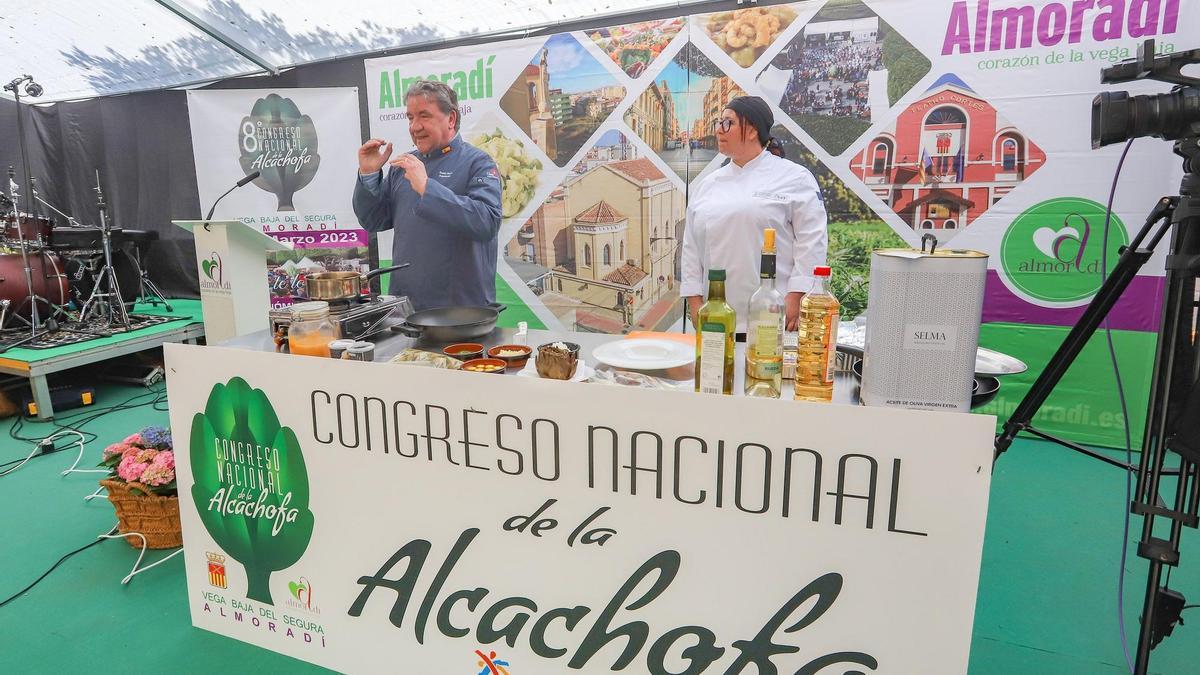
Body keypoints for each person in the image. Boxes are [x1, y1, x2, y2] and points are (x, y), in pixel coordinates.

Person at [680, 95, 827, 335]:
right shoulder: (707, 185)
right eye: (718, 123)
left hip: (772, 319)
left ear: (752, 130)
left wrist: (797, 296)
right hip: (716, 321)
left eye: (728, 123)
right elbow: (691, 249)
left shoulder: (794, 178)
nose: (719, 130)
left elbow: (812, 241)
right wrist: (695, 304)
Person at [353, 80, 502, 311]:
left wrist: (426, 187)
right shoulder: (402, 166)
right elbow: (374, 220)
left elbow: (487, 222)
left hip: (462, 311)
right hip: (407, 308)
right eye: (410, 118)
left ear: (451, 119)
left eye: (424, 116)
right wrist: (369, 175)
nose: (415, 126)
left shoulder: (478, 162)